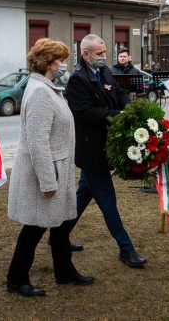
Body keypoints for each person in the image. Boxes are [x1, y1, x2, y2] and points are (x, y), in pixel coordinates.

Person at [6, 39, 94, 297]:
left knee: (60, 223)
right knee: (35, 227)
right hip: (45, 171)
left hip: (58, 166)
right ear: (48, 63)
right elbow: (37, 141)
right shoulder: (40, 93)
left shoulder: (48, 87)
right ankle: (16, 278)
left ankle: (64, 271)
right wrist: (47, 181)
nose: (64, 65)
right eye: (61, 61)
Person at [66, 34, 148, 268]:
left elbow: (119, 94)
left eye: (105, 53)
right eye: (99, 54)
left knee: (83, 195)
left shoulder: (104, 72)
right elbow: (85, 112)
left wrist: (132, 109)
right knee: (108, 201)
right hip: (91, 149)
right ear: (86, 54)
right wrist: (117, 116)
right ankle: (126, 249)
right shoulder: (78, 79)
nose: (103, 57)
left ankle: (58, 235)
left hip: (104, 145)